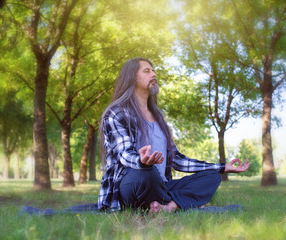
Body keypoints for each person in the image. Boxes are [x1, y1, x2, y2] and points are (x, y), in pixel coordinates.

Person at [98, 57, 251, 213]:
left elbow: (177, 159)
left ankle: (169, 206)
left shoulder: (159, 118)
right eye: (147, 71)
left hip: (161, 185)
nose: (154, 74)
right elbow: (123, 154)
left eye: (153, 70)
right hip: (133, 185)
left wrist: (222, 167)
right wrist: (141, 161)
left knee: (212, 176)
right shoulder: (117, 113)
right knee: (149, 173)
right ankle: (182, 202)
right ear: (132, 77)